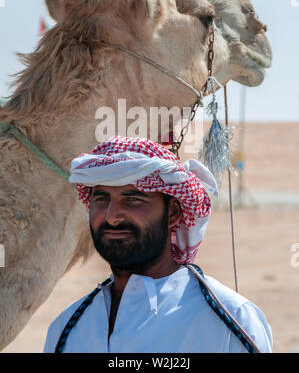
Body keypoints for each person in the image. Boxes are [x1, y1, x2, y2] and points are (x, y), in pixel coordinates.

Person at [43, 136, 272, 353]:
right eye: (101, 199)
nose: (112, 216)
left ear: (173, 213)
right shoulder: (67, 329)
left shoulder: (230, 321)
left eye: (133, 199)